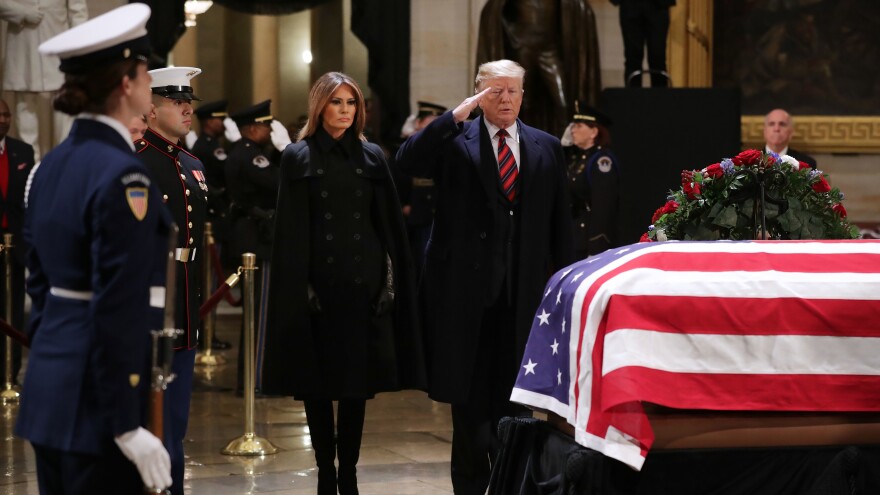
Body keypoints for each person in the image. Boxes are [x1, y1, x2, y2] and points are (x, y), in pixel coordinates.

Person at [395, 59, 573, 495]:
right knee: (471, 415)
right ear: (478, 94)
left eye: (513, 90)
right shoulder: (456, 140)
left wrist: (566, 293)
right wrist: (453, 118)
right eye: (495, 91)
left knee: (517, 413)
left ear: (523, 94)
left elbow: (561, 229)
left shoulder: (546, 146)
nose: (506, 98)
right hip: (466, 302)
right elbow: (406, 160)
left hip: (524, 302)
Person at [16, 4, 172, 493]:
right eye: (145, 70)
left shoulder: (50, 166)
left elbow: (38, 287)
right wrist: (126, 421)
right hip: (100, 408)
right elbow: (119, 301)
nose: (149, 81)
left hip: (50, 391)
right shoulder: (124, 174)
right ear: (126, 83)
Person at [261, 72, 425, 495]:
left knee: (357, 386)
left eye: (351, 103)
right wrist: (302, 287)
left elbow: (387, 227)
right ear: (321, 107)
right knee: (316, 386)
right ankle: (325, 471)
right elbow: (291, 231)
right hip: (316, 287)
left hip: (361, 285)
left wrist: (388, 282)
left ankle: (348, 471)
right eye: (337, 102)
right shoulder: (297, 156)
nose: (345, 111)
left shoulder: (373, 157)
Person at [136, 65, 208, 495]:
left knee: (176, 425)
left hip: (186, 303)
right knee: (151, 423)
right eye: (175, 102)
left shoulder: (193, 163)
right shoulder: (137, 159)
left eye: (188, 103)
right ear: (151, 108)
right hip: (150, 306)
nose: (186, 109)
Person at [477, 0, 601, 137]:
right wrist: (512, 37)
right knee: (524, 103)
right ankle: (523, 143)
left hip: (549, 51)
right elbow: (495, 10)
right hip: (523, 50)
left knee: (563, 102)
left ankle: (563, 146)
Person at [0, 0, 88, 159]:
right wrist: (20, 12)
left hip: (59, 44)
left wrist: (80, 48)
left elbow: (78, 12)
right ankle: (29, 167)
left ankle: (66, 162)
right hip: (23, 46)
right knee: (26, 108)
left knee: (66, 109)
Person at [190, 99, 233, 351]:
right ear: (209, 121)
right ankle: (206, 334)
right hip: (212, 222)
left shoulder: (212, 144)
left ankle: (208, 333)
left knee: (214, 282)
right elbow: (223, 175)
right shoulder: (208, 146)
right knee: (209, 282)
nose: (223, 123)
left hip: (216, 221)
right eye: (220, 118)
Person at [0, 98, 35, 387]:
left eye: (6, 114)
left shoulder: (22, 151)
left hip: (15, 245)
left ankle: (10, 375)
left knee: (12, 312)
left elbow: (27, 200)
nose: (3, 119)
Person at [561, 102, 620, 257]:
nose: (573, 130)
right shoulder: (578, 159)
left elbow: (603, 207)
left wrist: (597, 245)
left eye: (579, 126)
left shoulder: (601, 161)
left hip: (588, 240)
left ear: (593, 132)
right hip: (575, 237)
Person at [394, 101, 445, 274]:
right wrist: (402, 204)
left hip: (434, 214)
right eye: (429, 123)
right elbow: (398, 177)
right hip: (412, 214)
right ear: (419, 123)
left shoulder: (441, 147)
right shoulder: (409, 145)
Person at [610, 0, 676, 87]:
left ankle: (660, 98)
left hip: (658, 7)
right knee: (632, 58)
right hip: (630, 5)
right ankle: (633, 98)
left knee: (658, 58)